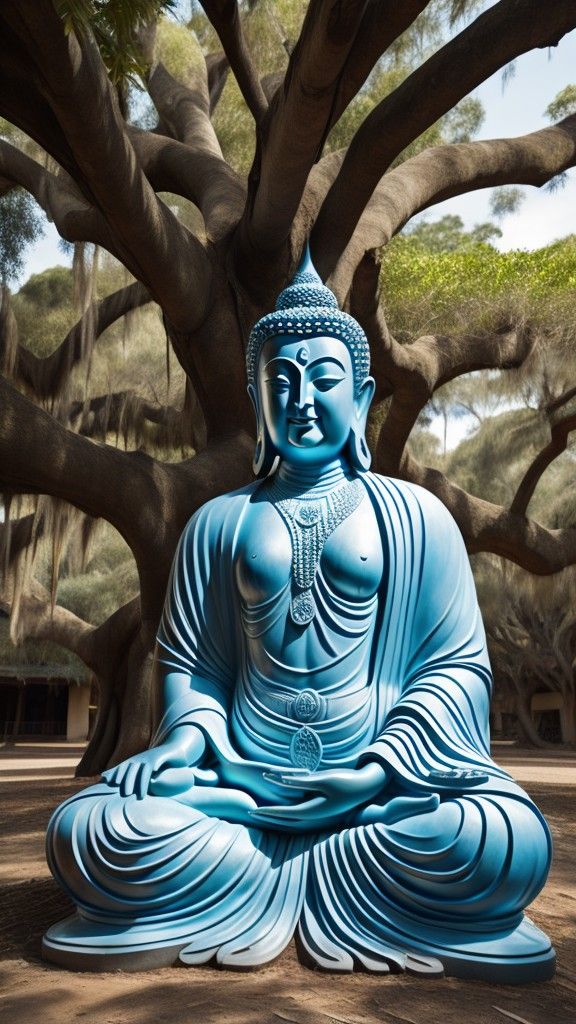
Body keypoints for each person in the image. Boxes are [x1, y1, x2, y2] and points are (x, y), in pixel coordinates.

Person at [43, 251, 554, 981]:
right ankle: (295, 859)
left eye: (323, 380)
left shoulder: (418, 520)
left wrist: (378, 771)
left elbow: (454, 669)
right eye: (280, 383)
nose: (302, 400)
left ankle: (286, 860)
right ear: (257, 399)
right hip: (237, 783)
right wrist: (185, 745)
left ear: (363, 395)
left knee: (501, 841)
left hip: (377, 787)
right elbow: (194, 666)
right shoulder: (217, 524)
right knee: (94, 830)